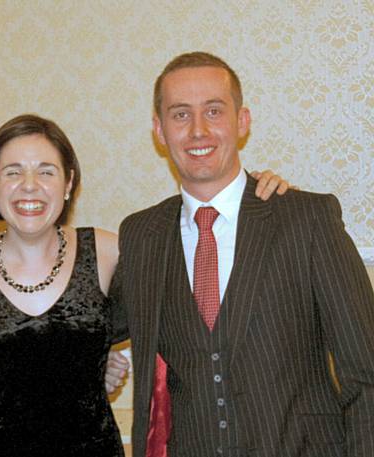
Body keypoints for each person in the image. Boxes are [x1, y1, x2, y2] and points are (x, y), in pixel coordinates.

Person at [0, 114, 288, 456]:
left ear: (68, 183)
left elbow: (199, 263)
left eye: (46, 171)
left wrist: (249, 196)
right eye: (13, 172)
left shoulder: (110, 252)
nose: (29, 184)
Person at [111, 51, 374, 457]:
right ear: (159, 130)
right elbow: (82, 328)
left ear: (242, 121)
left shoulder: (306, 218)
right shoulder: (141, 234)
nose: (198, 130)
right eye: (180, 115)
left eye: (213, 111)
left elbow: (365, 374)